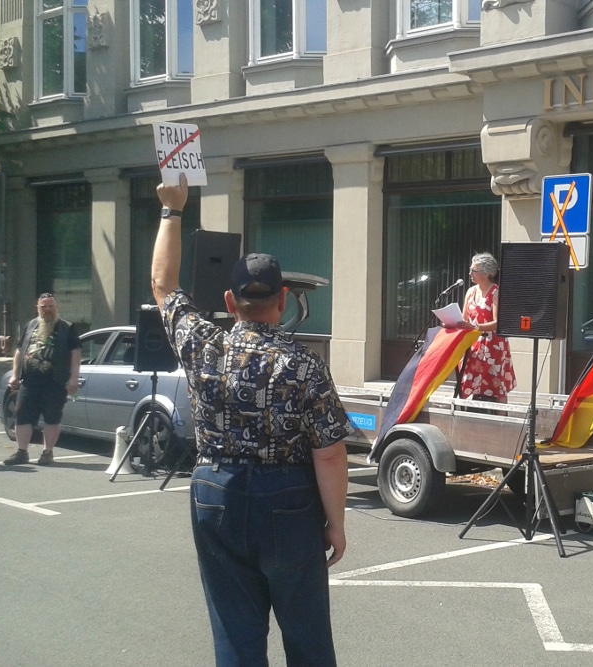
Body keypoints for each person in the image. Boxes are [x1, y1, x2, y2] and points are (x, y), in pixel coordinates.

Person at [152, 173, 353, 667]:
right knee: (306, 633)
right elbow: (328, 452)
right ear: (283, 301)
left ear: (229, 302)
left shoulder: (202, 344)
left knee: (235, 635)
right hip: (287, 499)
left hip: (214, 488)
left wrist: (172, 210)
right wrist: (336, 523)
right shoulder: (304, 363)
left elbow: (163, 285)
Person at [3, 293, 81, 466]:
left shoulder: (67, 327)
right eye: (43, 306)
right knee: (22, 415)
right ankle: (22, 452)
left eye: (50, 306)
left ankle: (48, 453)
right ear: (37, 307)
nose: (47, 309)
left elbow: (75, 353)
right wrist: (15, 374)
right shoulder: (30, 325)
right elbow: (19, 351)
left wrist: (74, 378)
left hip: (55, 381)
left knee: (52, 417)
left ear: (56, 307)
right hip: (30, 380)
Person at [458, 252, 516, 403]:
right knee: (467, 380)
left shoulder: (495, 292)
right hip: (473, 344)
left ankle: (501, 421)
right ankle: (469, 418)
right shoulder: (471, 292)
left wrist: (476, 326)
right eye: (470, 270)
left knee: (496, 384)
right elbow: (464, 318)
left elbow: (498, 322)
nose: (470, 273)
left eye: (474, 271)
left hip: (493, 346)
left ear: (486, 273)